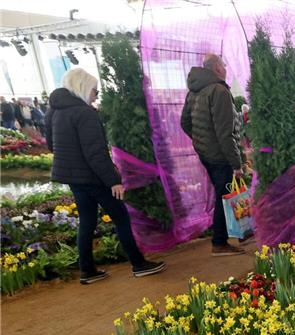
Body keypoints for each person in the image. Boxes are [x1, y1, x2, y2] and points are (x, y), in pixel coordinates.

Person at [46, 68, 165, 284]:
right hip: (93, 177)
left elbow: (51, 145)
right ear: (83, 89)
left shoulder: (54, 112)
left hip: (73, 178)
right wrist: (114, 181)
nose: (96, 95)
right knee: (121, 217)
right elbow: (95, 153)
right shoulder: (85, 113)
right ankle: (139, 264)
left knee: (87, 221)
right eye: (95, 91)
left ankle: (87, 270)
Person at [181, 53, 245, 255]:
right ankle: (219, 242)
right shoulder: (219, 91)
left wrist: (201, 141)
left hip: (206, 153)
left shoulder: (194, 91)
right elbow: (225, 134)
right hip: (220, 155)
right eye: (224, 65)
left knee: (222, 193)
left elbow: (185, 123)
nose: (226, 69)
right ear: (217, 68)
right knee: (224, 196)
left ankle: (226, 236)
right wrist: (237, 164)